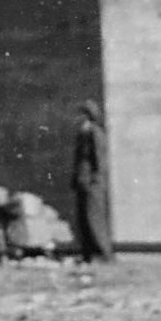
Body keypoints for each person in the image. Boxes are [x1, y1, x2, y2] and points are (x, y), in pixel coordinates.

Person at [71, 99, 113, 262]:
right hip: (83, 182)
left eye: (81, 114)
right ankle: (88, 254)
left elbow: (99, 160)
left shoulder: (95, 133)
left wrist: (94, 181)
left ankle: (102, 254)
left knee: (94, 218)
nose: (78, 117)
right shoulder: (83, 133)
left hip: (92, 184)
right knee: (84, 220)